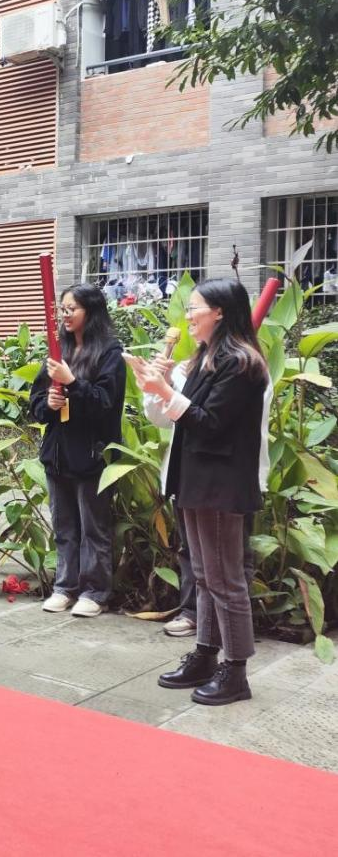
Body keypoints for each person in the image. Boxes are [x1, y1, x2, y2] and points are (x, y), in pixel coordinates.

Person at [132, 279, 269, 706]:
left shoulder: (242, 363)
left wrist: (165, 391)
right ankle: (206, 654)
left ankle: (236, 670)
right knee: (206, 576)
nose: (188, 316)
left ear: (220, 312)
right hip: (195, 479)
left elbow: (211, 424)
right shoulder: (207, 358)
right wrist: (156, 385)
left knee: (225, 579)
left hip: (220, 484)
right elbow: (180, 417)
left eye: (195, 308)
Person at [29, 283, 126, 619]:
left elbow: (105, 403)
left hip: (92, 455)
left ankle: (95, 592)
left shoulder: (110, 353)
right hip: (58, 454)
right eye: (62, 309)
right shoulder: (59, 351)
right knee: (64, 528)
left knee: (94, 529)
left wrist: (72, 383)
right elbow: (35, 403)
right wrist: (49, 403)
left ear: (91, 311)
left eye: (72, 309)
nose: (65, 315)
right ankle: (65, 587)